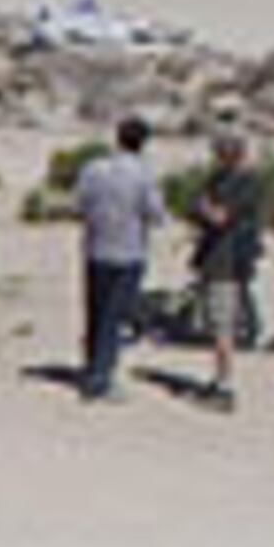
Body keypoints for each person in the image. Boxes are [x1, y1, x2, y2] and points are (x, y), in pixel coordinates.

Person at [73, 115, 161, 403]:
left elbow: (79, 205)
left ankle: (92, 366)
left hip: (96, 248)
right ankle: (101, 378)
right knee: (114, 315)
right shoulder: (143, 173)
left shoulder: (93, 169)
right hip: (128, 251)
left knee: (96, 311)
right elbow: (154, 213)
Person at [189, 128, 263, 410]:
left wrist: (204, 208)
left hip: (228, 262)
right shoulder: (219, 180)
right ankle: (219, 378)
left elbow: (220, 217)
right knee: (215, 323)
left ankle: (225, 386)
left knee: (223, 326)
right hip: (213, 260)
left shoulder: (244, 184)